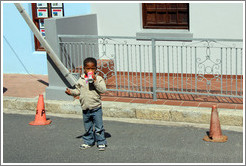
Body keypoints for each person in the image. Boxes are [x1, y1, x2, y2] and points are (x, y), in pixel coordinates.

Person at [65, 57, 107, 151]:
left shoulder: (99, 79)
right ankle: (88, 141)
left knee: (99, 127)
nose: (90, 70)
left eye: (92, 68)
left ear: (96, 69)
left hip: (96, 108)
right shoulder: (81, 79)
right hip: (85, 108)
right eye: (88, 68)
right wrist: (71, 92)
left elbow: (103, 90)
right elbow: (78, 91)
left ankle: (101, 142)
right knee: (87, 127)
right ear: (84, 68)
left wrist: (95, 81)